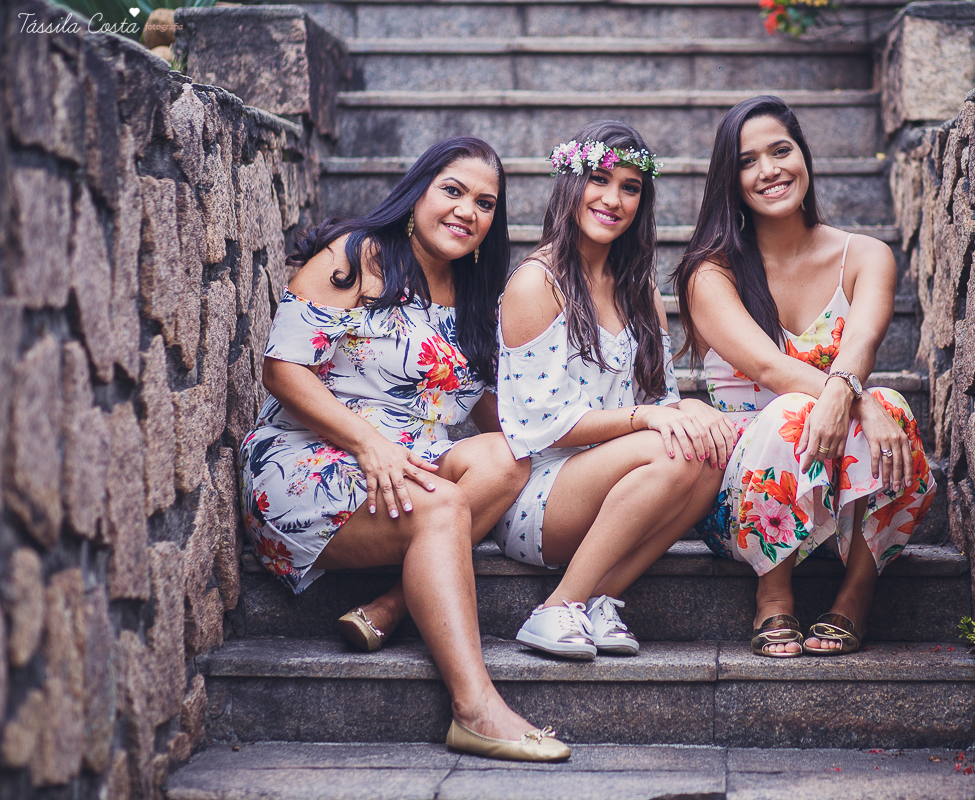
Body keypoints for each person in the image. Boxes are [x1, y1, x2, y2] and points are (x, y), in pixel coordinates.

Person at [238, 137, 568, 761]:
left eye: (486, 203)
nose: (468, 210)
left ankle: (392, 605)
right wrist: (369, 445)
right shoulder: (357, 256)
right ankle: (475, 708)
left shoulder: (477, 294)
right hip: (305, 459)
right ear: (418, 190)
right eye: (453, 191)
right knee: (444, 506)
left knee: (508, 457)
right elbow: (282, 370)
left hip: (410, 462)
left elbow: (493, 411)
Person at [671, 96, 936, 658]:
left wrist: (861, 398)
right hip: (739, 499)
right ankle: (774, 594)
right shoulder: (710, 271)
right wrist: (854, 401)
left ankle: (856, 593)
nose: (769, 170)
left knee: (892, 404)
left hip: (843, 488)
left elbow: (862, 342)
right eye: (747, 161)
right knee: (804, 408)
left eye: (780, 151)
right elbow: (769, 368)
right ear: (730, 179)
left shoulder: (865, 256)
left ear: (804, 157)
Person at [494, 121, 737, 660]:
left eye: (630, 187)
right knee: (665, 441)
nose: (613, 199)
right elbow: (541, 426)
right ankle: (557, 606)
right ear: (570, 183)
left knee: (709, 452)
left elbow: (663, 402)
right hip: (539, 495)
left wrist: (679, 413)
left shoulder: (640, 289)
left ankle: (599, 598)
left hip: (617, 479)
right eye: (600, 179)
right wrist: (646, 420)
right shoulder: (538, 282)